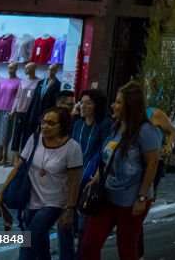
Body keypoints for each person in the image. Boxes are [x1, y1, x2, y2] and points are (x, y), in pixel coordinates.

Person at [79, 80, 161, 260]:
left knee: (126, 247)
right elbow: (109, 156)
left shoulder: (145, 131)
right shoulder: (116, 127)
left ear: (129, 105)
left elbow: (152, 163)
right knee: (89, 244)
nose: (113, 105)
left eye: (118, 101)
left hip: (130, 199)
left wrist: (142, 197)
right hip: (106, 195)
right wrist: (99, 176)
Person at [0, 106, 82, 260]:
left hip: (55, 203)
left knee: (29, 241)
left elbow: (74, 181)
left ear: (61, 126)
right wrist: (1, 192)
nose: (44, 126)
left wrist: (70, 209)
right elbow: (18, 168)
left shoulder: (72, 147)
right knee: (40, 246)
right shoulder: (35, 139)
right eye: (43, 122)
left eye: (50, 123)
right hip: (31, 201)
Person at [65, 90, 113, 260]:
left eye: (88, 103)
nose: (83, 106)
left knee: (83, 224)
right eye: (82, 102)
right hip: (73, 176)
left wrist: (99, 174)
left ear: (97, 106)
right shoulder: (78, 123)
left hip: (91, 178)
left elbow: (107, 151)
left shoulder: (105, 124)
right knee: (70, 221)